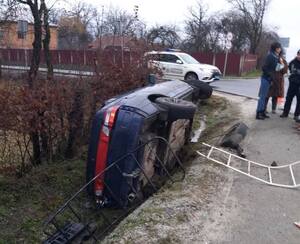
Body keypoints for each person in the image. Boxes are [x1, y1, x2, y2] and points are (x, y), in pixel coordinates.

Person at [256, 42, 282, 120]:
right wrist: (270, 75)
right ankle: (258, 113)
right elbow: (264, 67)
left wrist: (281, 64)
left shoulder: (276, 57)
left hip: (270, 79)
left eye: (280, 48)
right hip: (265, 78)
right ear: (276, 48)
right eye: (279, 48)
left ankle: (263, 112)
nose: (280, 49)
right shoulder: (270, 56)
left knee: (265, 96)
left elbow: (277, 69)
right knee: (262, 97)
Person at [280, 50, 300, 120]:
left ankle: (296, 115)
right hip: (292, 84)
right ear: (297, 54)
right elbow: (288, 71)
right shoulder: (292, 62)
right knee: (288, 99)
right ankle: (285, 113)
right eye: (299, 55)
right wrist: (290, 78)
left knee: (299, 101)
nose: (299, 56)